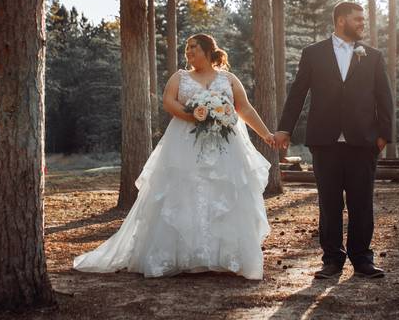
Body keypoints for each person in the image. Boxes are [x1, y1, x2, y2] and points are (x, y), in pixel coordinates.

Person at [73, 33, 278, 280]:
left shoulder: (229, 79)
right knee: (183, 195)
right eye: (187, 48)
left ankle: (223, 256)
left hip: (223, 148)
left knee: (225, 196)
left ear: (207, 51)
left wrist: (266, 134)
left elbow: (243, 108)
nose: (189, 52)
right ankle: (183, 256)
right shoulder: (180, 77)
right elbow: (168, 102)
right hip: (185, 144)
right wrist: (194, 115)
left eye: (194, 47)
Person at [274, 2, 394, 279]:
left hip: (363, 142)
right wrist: (285, 129)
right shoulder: (313, 54)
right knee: (329, 204)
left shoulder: (373, 56)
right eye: (358, 19)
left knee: (361, 203)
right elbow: (298, 93)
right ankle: (331, 260)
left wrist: (383, 136)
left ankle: (363, 259)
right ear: (341, 21)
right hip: (324, 141)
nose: (363, 23)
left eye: (363, 18)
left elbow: (384, 97)